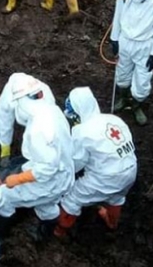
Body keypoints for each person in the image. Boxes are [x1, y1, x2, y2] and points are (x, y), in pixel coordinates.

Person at [0, 82, 75, 241]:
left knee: (1, 196)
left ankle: (1, 235)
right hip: (65, 173)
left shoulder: (38, 129)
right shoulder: (53, 110)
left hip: (50, 182)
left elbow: (47, 169)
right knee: (46, 204)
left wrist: (17, 179)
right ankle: (46, 230)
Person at [54, 87, 137, 237]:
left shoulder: (82, 130)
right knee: (116, 197)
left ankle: (59, 231)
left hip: (107, 177)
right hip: (130, 170)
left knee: (71, 199)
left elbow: (77, 163)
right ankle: (112, 223)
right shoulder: (114, 119)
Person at [0, 73, 55, 165]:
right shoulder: (10, 98)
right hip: (14, 96)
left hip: (33, 117)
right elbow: (5, 123)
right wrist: (5, 148)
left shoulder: (47, 99)